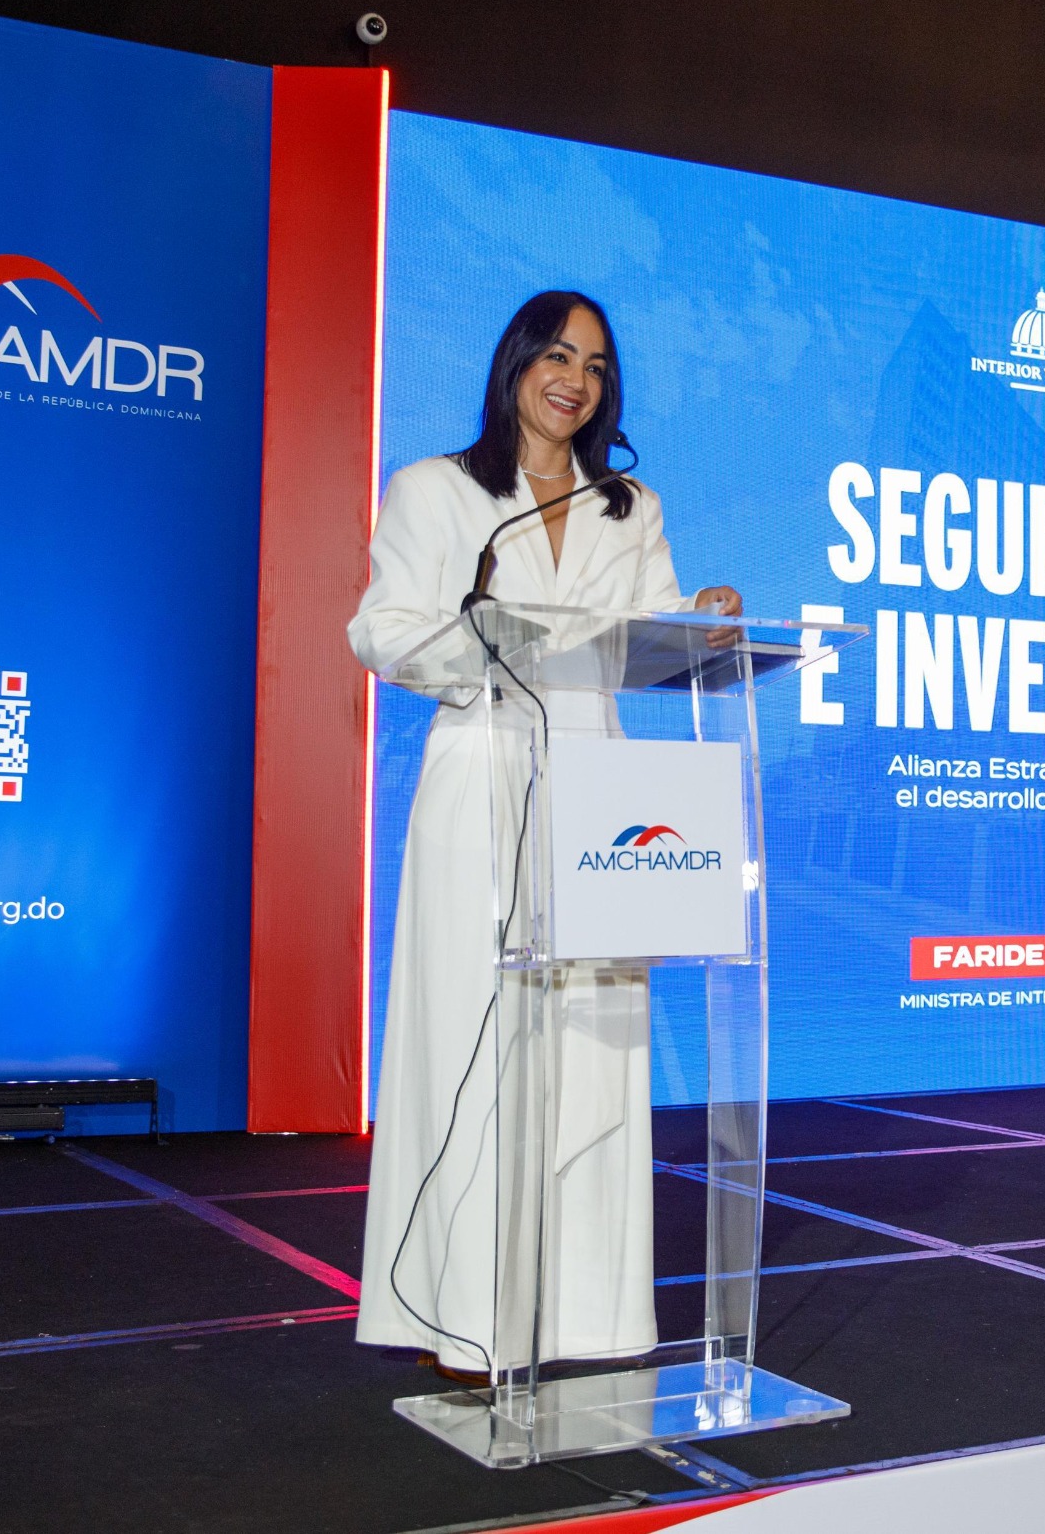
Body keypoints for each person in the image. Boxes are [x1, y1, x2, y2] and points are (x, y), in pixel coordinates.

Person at [347, 290, 742, 1378]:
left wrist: (702, 623)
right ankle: (466, 1316)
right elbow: (381, 628)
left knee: (593, 1046)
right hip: (480, 778)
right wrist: (491, 642)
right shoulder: (436, 489)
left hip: (602, 793)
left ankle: (586, 1317)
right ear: (517, 362)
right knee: (478, 1041)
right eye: (558, 356)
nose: (576, 379)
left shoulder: (630, 506)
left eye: (596, 365)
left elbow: (654, 638)